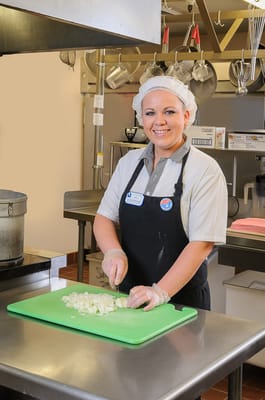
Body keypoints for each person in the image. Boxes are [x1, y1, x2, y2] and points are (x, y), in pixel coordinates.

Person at [93, 75, 228, 312]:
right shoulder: (129, 163)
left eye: (169, 112)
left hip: (182, 304)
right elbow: (104, 218)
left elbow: (202, 243)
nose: (159, 121)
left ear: (186, 116)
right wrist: (113, 252)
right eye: (150, 113)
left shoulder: (204, 170)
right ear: (141, 117)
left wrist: (159, 291)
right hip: (130, 297)